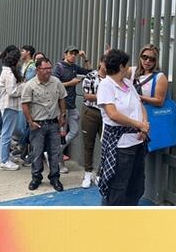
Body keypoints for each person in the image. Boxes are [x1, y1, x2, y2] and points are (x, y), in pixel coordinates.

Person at [96, 48, 149, 206]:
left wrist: (144, 125)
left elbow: (139, 104)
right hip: (121, 145)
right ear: (120, 67)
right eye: (126, 65)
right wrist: (138, 124)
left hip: (137, 141)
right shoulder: (106, 85)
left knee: (136, 184)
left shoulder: (127, 83)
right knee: (118, 186)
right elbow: (113, 114)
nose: (129, 68)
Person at [20, 56, 68, 192]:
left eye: (49, 68)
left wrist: (62, 115)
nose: (48, 71)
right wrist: (30, 122)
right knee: (37, 152)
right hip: (38, 125)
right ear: (37, 69)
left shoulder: (56, 82)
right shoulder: (30, 85)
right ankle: (36, 177)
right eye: (45, 69)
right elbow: (25, 105)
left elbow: (62, 98)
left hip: (53, 124)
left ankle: (55, 178)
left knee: (55, 152)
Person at [52, 45, 93, 173]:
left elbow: (90, 72)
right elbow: (54, 85)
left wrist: (85, 58)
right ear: (65, 54)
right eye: (71, 53)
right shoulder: (58, 67)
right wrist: (71, 83)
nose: (73, 56)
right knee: (62, 134)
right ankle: (60, 163)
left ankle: (55, 150)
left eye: (75, 54)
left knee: (74, 131)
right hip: (61, 106)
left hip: (72, 105)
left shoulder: (74, 67)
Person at [79, 56, 107, 189]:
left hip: (107, 114)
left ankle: (101, 173)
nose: (107, 65)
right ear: (100, 62)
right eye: (105, 62)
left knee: (107, 144)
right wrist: (106, 96)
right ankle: (88, 173)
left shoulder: (113, 78)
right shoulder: (91, 76)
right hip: (90, 112)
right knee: (88, 145)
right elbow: (87, 95)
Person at [0, 48, 24, 170]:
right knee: (7, 133)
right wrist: (24, 86)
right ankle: (4, 160)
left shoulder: (8, 72)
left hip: (9, 105)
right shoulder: (9, 74)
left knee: (7, 132)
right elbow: (12, 91)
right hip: (9, 105)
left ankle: (6, 155)